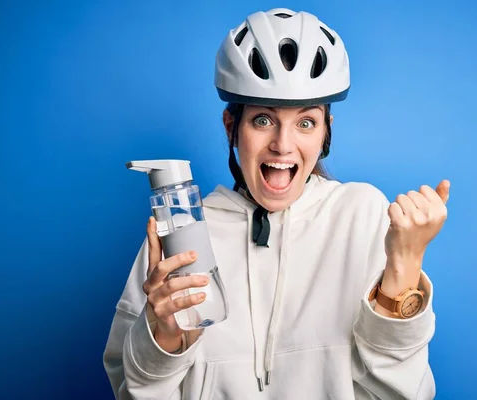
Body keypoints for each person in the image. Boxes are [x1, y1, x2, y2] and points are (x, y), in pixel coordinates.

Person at [103, 8, 449, 400]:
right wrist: (162, 340)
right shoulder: (182, 235)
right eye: (263, 120)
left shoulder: (363, 214)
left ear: (325, 133)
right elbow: (131, 392)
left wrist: (406, 263)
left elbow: (404, 395)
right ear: (231, 126)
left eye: (305, 122)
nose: (283, 144)